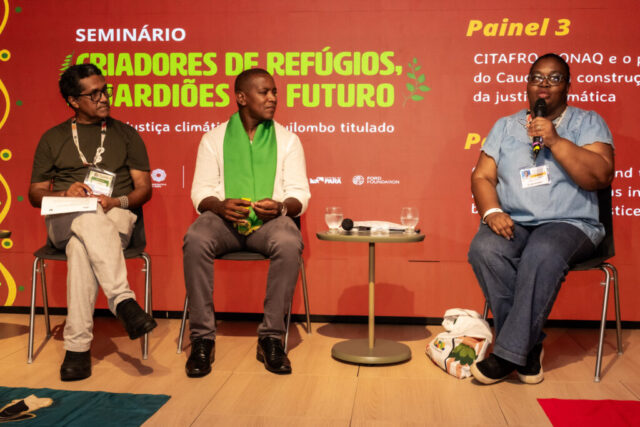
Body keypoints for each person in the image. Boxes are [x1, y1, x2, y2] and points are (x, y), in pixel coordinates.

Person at [468, 53, 614, 385]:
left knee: (542, 251)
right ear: (527, 85)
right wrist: (492, 211)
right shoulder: (505, 126)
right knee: (485, 249)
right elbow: (482, 177)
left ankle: (507, 354)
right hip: (516, 222)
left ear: (568, 86)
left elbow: (600, 176)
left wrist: (555, 140)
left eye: (554, 78)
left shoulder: (588, 122)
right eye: (536, 77)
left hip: (570, 223)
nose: (544, 84)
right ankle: (528, 345)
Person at [29, 64, 157, 381]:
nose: (104, 98)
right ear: (73, 101)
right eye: (94, 94)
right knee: (85, 216)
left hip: (115, 215)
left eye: (105, 91)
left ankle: (77, 349)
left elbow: (144, 189)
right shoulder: (53, 138)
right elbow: (35, 194)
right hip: (65, 216)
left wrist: (115, 201)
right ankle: (123, 301)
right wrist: (65, 193)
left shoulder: (126, 134)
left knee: (79, 247)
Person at [183, 68, 310, 377]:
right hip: (224, 223)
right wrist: (219, 206)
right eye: (264, 92)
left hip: (270, 224)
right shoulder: (214, 139)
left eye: (274, 92)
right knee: (196, 238)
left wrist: (281, 207)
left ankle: (271, 338)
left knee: (289, 240)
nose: (273, 98)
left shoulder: (288, 140)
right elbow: (200, 191)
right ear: (241, 97)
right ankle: (202, 339)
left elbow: (299, 194)